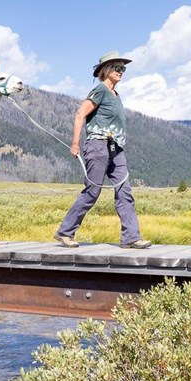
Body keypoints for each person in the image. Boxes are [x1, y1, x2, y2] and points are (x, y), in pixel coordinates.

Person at [54, 50, 151, 249]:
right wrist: (75, 144)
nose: (121, 71)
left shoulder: (116, 95)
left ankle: (131, 238)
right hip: (98, 146)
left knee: (124, 191)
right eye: (118, 67)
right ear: (106, 70)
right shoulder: (100, 90)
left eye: (123, 68)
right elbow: (81, 114)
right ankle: (65, 232)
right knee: (93, 191)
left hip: (116, 149)